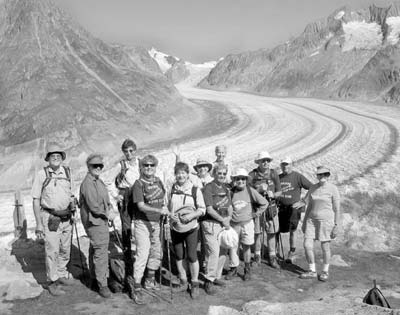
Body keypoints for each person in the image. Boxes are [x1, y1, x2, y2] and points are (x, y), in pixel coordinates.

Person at [31, 143, 75, 296]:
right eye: (52, 155)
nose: (55, 158)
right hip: (50, 218)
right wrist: (38, 224)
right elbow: (36, 199)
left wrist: (73, 204)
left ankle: (62, 274)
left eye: (58, 155)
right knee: (52, 250)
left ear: (62, 158)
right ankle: (52, 281)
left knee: (65, 248)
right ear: (48, 158)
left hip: (67, 218)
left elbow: (71, 194)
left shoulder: (68, 172)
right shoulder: (41, 175)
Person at [131, 155, 169, 304]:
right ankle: (137, 287)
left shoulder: (158, 181)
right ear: (141, 167)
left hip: (156, 222)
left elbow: (163, 198)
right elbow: (140, 205)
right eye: (146, 165)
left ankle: (150, 279)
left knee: (156, 250)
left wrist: (163, 209)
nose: (149, 168)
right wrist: (159, 211)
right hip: (143, 222)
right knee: (142, 253)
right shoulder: (138, 184)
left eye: (152, 165)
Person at [167, 162, 206, 298]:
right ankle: (183, 281)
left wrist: (191, 215)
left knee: (192, 255)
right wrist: (170, 215)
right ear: (175, 175)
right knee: (179, 255)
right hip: (176, 227)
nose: (181, 175)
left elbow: (202, 209)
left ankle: (194, 283)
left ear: (188, 174)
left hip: (191, 228)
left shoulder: (195, 190)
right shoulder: (171, 189)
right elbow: (167, 207)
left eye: (183, 173)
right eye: (178, 173)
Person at [79, 153, 114, 298]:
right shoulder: (88, 183)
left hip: (100, 221)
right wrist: (107, 214)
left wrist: (110, 208)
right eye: (95, 165)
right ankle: (103, 285)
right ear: (88, 166)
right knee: (100, 251)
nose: (98, 167)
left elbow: (105, 200)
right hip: (95, 222)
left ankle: (94, 278)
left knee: (95, 249)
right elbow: (93, 206)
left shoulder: (98, 181)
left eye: (100, 165)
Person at [300, 166, 341, 282]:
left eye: (324, 174)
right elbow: (308, 206)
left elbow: (337, 209)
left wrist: (336, 225)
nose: (322, 176)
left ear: (328, 176)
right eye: (319, 174)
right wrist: (304, 222)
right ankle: (312, 270)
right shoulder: (313, 188)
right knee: (307, 245)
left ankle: (325, 271)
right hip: (311, 220)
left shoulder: (333, 189)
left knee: (325, 246)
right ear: (317, 176)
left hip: (326, 221)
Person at [227, 168, 268, 281]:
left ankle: (247, 269)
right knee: (233, 247)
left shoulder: (250, 191)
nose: (241, 181)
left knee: (246, 247)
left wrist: (256, 214)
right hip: (234, 224)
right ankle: (233, 268)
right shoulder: (231, 192)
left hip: (247, 223)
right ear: (235, 180)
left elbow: (264, 203)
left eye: (243, 179)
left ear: (246, 180)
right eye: (238, 179)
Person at [201, 165, 232, 295]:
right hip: (211, 223)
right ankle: (208, 279)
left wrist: (228, 218)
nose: (222, 176)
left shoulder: (226, 188)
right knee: (213, 251)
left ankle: (216, 277)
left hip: (223, 222)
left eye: (224, 174)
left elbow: (229, 206)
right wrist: (222, 219)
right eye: (219, 173)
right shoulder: (209, 187)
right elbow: (209, 209)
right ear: (214, 174)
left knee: (223, 250)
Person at [114, 139, 140, 290]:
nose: (129, 154)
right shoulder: (121, 165)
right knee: (126, 226)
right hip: (125, 194)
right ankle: (128, 257)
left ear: (135, 150)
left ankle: (141, 254)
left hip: (139, 194)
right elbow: (110, 182)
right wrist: (116, 195)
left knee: (141, 224)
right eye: (126, 151)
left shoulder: (141, 163)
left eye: (131, 150)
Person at [248, 151, 282, 269]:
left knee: (271, 233)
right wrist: (258, 189)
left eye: (267, 160)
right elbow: (247, 192)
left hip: (271, 207)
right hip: (257, 208)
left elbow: (280, 191)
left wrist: (274, 195)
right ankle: (257, 256)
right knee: (257, 233)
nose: (266, 162)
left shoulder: (274, 174)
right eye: (263, 160)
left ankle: (272, 256)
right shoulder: (252, 175)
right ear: (258, 162)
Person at [278, 157, 313, 263]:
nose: (285, 166)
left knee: (292, 230)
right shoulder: (278, 177)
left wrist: (304, 201)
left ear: (291, 165)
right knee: (276, 230)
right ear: (281, 166)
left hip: (293, 208)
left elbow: (312, 187)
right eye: (283, 164)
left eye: (287, 164)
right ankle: (274, 252)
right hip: (280, 208)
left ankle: (291, 252)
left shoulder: (297, 176)